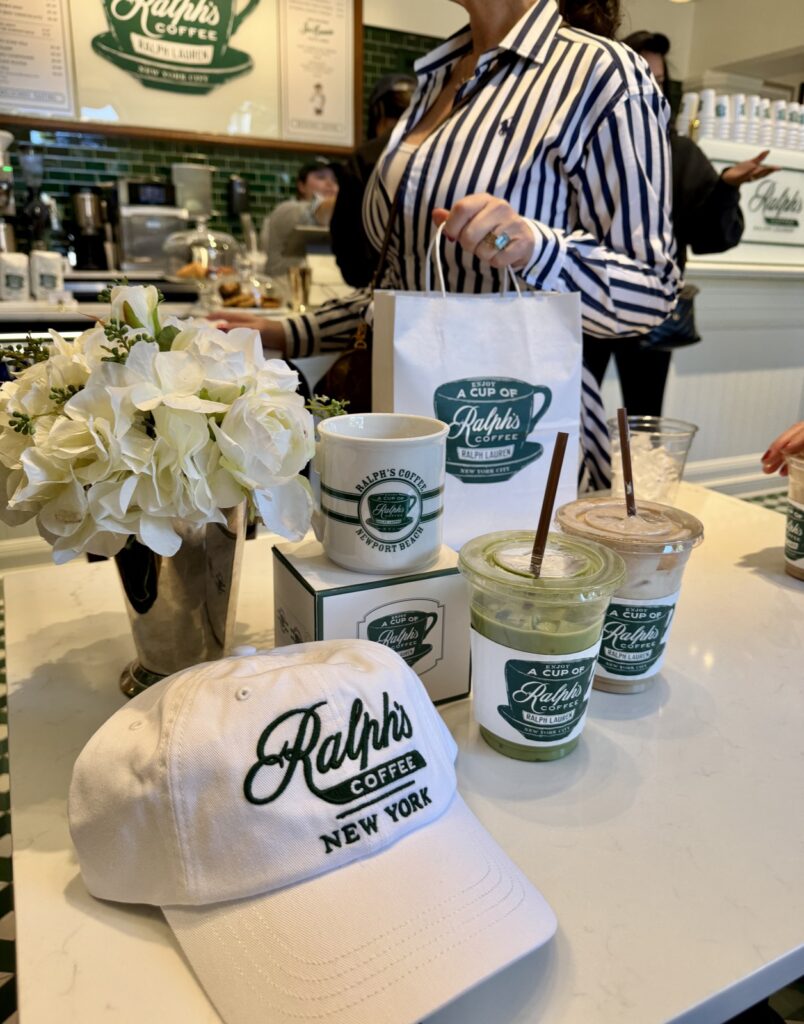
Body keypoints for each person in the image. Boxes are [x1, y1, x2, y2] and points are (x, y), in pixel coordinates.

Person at [216, 0, 682, 490]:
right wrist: (288, 331)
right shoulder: (439, 78)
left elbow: (651, 291)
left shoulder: (603, 74)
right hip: (397, 429)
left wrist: (533, 249)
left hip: (506, 442)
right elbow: (408, 287)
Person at [584, 29, 777, 417]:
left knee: (645, 417)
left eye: (657, 82)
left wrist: (724, 187)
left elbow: (709, 234)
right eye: (640, 78)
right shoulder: (585, 141)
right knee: (568, 409)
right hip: (585, 295)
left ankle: (641, 479)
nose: (649, 90)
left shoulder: (679, 152)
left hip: (652, 305)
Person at [330, 72, 417, 287]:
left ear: (377, 112)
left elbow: (345, 240)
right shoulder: (448, 150)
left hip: (374, 294)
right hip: (438, 300)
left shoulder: (366, 157)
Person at [260, 159, 340, 280]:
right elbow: (319, 212)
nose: (330, 183)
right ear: (301, 186)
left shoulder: (337, 216)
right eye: (321, 177)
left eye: (335, 180)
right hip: (282, 290)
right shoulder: (287, 210)